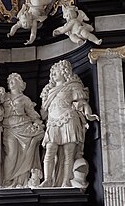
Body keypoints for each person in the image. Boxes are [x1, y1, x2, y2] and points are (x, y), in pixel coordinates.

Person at [40, 60, 99, 188]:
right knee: (50, 150)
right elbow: (44, 111)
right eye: (52, 73)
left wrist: (88, 114)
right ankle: (47, 180)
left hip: (69, 119)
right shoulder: (50, 91)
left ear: (64, 72)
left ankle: (66, 181)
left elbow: (82, 103)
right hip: (53, 122)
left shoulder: (73, 86)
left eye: (56, 72)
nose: (53, 75)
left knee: (68, 153)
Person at [2, 73, 44, 187]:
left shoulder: (25, 99)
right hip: (9, 128)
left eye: (13, 81)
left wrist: (37, 122)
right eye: (9, 81)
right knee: (11, 154)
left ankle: (21, 180)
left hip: (24, 128)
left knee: (25, 153)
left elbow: (31, 113)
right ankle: (7, 181)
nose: (10, 83)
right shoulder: (4, 97)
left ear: (20, 84)